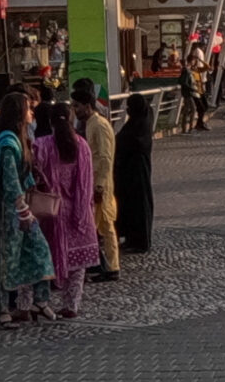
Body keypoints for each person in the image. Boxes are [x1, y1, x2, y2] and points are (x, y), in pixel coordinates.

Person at [0, 93, 54, 328]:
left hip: (19, 211)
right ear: (19, 114)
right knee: (4, 262)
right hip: (6, 215)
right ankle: (2, 312)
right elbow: (10, 180)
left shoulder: (17, 141)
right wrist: (23, 211)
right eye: (28, 109)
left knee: (39, 250)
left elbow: (23, 175)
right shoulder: (7, 144)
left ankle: (39, 300)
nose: (32, 113)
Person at [31, 102, 98, 318]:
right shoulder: (81, 146)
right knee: (77, 266)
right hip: (77, 212)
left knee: (45, 258)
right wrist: (84, 211)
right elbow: (85, 183)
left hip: (50, 211)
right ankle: (72, 305)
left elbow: (32, 175)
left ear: (50, 121)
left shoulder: (41, 145)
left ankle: (39, 302)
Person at [73, 82, 123, 281]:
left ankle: (99, 266)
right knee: (104, 227)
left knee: (95, 226)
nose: (75, 111)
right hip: (95, 182)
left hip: (99, 184)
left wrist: (99, 185)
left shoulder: (99, 125)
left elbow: (104, 157)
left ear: (87, 105)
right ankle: (109, 266)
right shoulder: (93, 124)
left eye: (77, 106)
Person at [115, 93, 157, 256]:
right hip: (130, 172)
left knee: (139, 206)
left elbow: (131, 143)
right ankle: (132, 238)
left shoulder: (139, 127)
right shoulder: (139, 123)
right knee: (130, 206)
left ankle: (140, 241)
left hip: (137, 172)